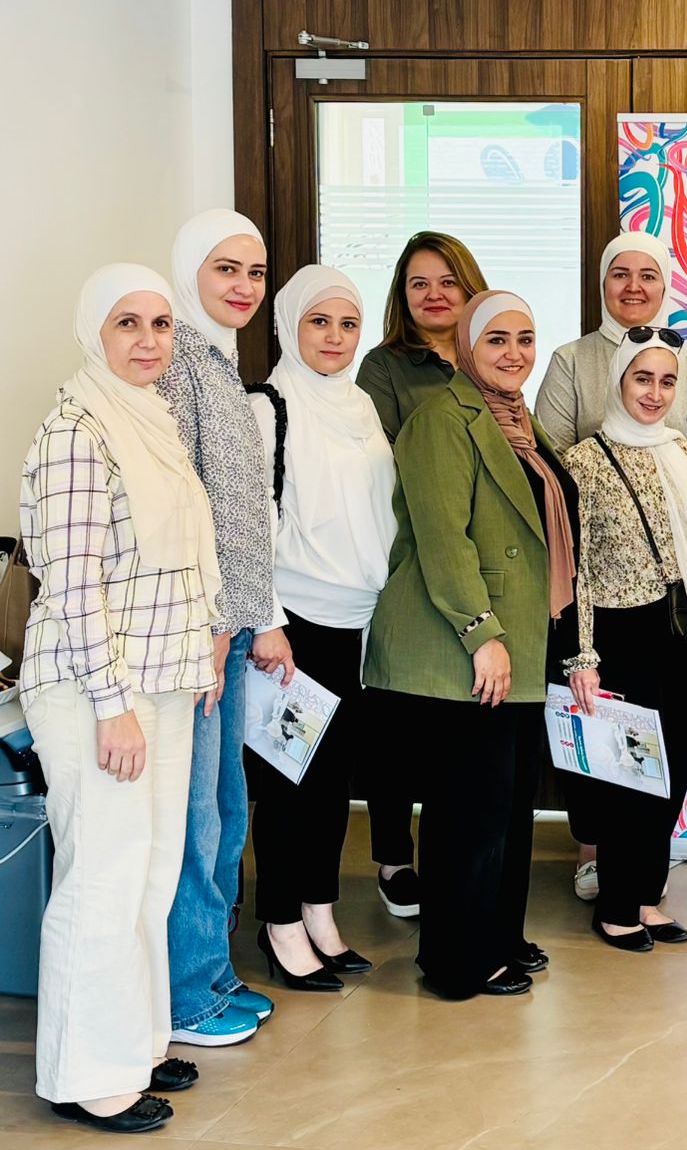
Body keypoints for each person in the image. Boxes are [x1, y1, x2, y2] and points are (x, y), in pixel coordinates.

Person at [21, 266, 219, 1131]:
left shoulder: (152, 419)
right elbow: (73, 585)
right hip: (94, 688)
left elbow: (181, 559)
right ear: (93, 331)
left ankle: (133, 1042)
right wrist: (111, 704)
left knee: (150, 870)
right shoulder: (76, 430)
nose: (147, 340)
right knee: (102, 875)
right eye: (127, 324)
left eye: (161, 324)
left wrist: (201, 655)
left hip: (163, 681)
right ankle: (86, 1073)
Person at [363, 291, 577, 999]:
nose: (514, 353)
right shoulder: (440, 419)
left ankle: (497, 937)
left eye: (525, 338)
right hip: (462, 644)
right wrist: (481, 633)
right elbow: (442, 536)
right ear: (466, 346)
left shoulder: (522, 423)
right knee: (468, 813)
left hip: (522, 637)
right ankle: (455, 961)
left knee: (508, 809)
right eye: (497, 340)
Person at [537, 231, 687, 902]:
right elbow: (557, 480)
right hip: (607, 598)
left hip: (677, 599)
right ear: (602, 282)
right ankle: (602, 863)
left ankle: (638, 879)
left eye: (649, 274)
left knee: (663, 750)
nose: (634, 286)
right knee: (614, 749)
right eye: (621, 273)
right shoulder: (571, 362)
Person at [561, 329, 687, 950]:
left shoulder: (685, 454)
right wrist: (582, 656)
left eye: (667, 382)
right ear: (619, 380)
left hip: (684, 629)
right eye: (643, 379)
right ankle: (616, 904)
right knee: (627, 774)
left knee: (668, 773)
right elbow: (577, 570)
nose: (655, 393)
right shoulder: (585, 461)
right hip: (620, 634)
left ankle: (646, 895)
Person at [158, 211, 289, 1047]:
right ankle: (187, 997)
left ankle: (211, 972)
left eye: (255, 271)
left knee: (227, 811)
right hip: (199, 632)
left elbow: (245, 515)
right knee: (196, 819)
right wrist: (209, 623)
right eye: (225, 269)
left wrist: (257, 619)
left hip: (233, 627)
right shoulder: (176, 360)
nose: (243, 286)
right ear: (190, 271)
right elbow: (179, 506)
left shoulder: (220, 361)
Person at [247, 267, 396, 991]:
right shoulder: (267, 406)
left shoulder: (361, 406)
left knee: (333, 783)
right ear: (289, 326)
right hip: (293, 623)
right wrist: (267, 621)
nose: (334, 338)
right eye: (319, 322)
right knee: (287, 782)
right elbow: (249, 524)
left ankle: (319, 909)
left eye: (347, 324)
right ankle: (279, 921)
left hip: (353, 616)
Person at [355, 230, 487, 918]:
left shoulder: (490, 355)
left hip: (478, 562)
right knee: (398, 727)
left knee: (455, 727)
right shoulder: (385, 367)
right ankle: (393, 858)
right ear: (401, 296)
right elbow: (382, 466)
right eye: (418, 284)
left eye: (447, 281)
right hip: (407, 560)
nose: (434, 295)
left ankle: (454, 856)